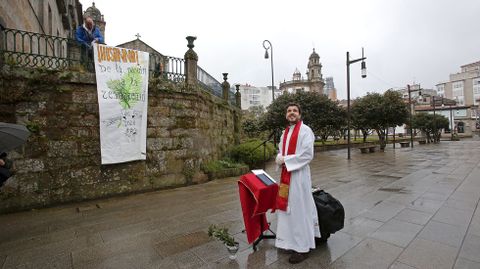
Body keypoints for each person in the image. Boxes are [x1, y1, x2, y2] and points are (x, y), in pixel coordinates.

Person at [274, 103, 320, 264]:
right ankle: (288, 242)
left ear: (300, 114)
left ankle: (302, 248)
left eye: (294, 111)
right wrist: (279, 157)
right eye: (288, 111)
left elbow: (307, 154)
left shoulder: (305, 130)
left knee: (299, 211)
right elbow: (282, 151)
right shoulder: (284, 132)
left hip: (299, 175)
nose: (291, 113)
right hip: (286, 175)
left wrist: (285, 159)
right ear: (286, 115)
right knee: (287, 210)